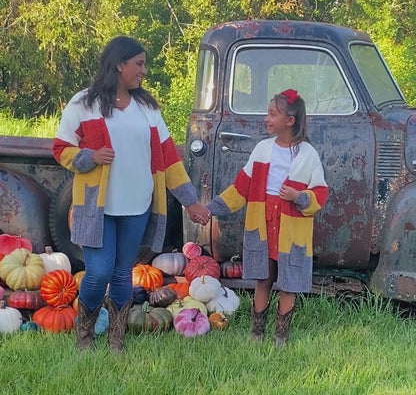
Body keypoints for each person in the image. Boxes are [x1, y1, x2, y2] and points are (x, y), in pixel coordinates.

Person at [53, 36, 210, 352]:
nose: (144, 71)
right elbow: (60, 149)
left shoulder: (147, 108)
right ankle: (85, 336)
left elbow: (168, 158)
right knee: (97, 272)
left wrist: (191, 202)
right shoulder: (83, 103)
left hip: (137, 205)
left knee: (123, 273)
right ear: (119, 64)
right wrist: (89, 157)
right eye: (138, 64)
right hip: (96, 207)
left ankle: (116, 339)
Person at [206, 89, 328, 346]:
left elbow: (320, 194)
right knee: (263, 276)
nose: (266, 118)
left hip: (291, 226)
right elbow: (241, 188)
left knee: (288, 281)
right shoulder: (263, 150)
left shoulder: (308, 155)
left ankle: (280, 337)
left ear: (290, 120)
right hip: (262, 222)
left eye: (273, 114)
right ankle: (256, 333)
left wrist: (299, 196)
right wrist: (210, 208)